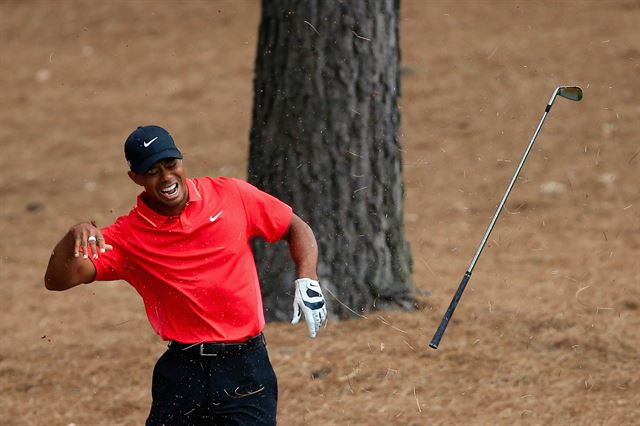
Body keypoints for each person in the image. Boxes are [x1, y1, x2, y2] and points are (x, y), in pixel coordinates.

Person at [44, 125, 327, 425]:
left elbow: (295, 228)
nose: (166, 177)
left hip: (246, 369)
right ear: (136, 178)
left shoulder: (231, 194)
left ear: (181, 160)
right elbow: (58, 281)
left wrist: (307, 278)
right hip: (182, 373)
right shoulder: (127, 236)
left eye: (171, 164)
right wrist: (71, 236)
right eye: (152, 171)